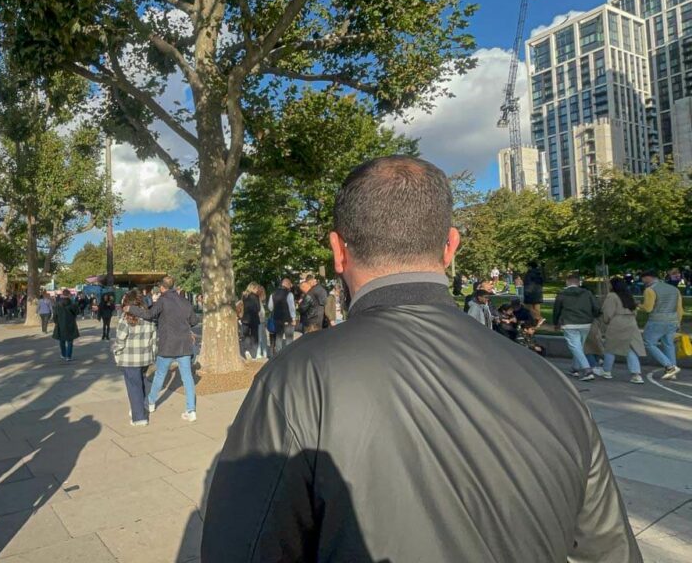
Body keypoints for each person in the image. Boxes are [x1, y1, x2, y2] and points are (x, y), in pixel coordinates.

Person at [201, 156, 639, 562]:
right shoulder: (551, 382)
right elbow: (612, 550)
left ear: (338, 251)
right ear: (451, 247)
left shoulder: (296, 378)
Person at [124, 276, 199, 422]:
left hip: (168, 345)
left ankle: (150, 402)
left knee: (160, 375)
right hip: (184, 344)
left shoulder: (163, 301)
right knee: (187, 378)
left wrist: (131, 309)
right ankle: (191, 410)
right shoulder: (185, 301)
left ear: (162, 288)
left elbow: (149, 314)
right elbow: (194, 321)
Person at [585, 278, 647, 384]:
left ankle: (606, 370)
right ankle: (636, 374)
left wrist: (605, 322)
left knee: (611, 347)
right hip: (631, 322)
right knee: (631, 348)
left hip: (617, 322)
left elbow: (608, 312)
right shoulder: (628, 295)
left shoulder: (612, 296)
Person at [113, 291, 157, 427]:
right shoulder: (149, 319)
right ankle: (141, 406)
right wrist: (152, 354)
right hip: (145, 357)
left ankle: (139, 416)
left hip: (129, 358)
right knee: (141, 383)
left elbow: (120, 340)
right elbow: (154, 340)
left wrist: (117, 353)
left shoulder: (125, 319)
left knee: (134, 387)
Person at [553, 274, 603, 379]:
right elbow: (596, 307)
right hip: (585, 323)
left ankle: (587, 370)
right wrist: (593, 316)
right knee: (579, 347)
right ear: (578, 283)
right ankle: (574, 368)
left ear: (567, 282)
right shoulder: (587, 293)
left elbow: (556, 310)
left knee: (575, 347)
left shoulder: (562, 294)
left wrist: (556, 323)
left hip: (569, 322)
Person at [640, 269, 683, 380]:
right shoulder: (674, 289)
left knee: (648, 342)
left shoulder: (650, 290)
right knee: (668, 344)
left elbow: (648, 308)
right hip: (673, 321)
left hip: (657, 321)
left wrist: (638, 305)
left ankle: (669, 367)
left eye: (643, 278)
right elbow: (679, 308)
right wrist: (678, 321)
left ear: (647, 277)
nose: (642, 280)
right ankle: (672, 372)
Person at [268, 278, 296, 354]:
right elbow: (291, 308)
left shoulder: (273, 294)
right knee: (289, 338)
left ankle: (278, 356)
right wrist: (293, 318)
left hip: (277, 318)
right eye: (290, 285)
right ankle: (289, 355)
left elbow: (270, 307)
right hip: (288, 319)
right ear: (288, 284)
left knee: (278, 337)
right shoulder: (289, 294)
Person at [52, 290, 81, 361]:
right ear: (69, 295)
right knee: (70, 341)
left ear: (62, 295)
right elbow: (77, 312)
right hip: (70, 323)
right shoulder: (72, 304)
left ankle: (63, 354)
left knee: (62, 340)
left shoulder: (58, 304)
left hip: (60, 324)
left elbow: (55, 315)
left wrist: (56, 322)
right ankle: (68, 356)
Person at [239, 283, 261, 359]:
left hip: (245, 318)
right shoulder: (256, 296)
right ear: (253, 288)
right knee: (254, 336)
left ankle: (245, 351)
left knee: (245, 336)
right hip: (254, 318)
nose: (257, 290)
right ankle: (254, 354)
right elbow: (258, 308)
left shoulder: (244, 296)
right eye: (256, 289)